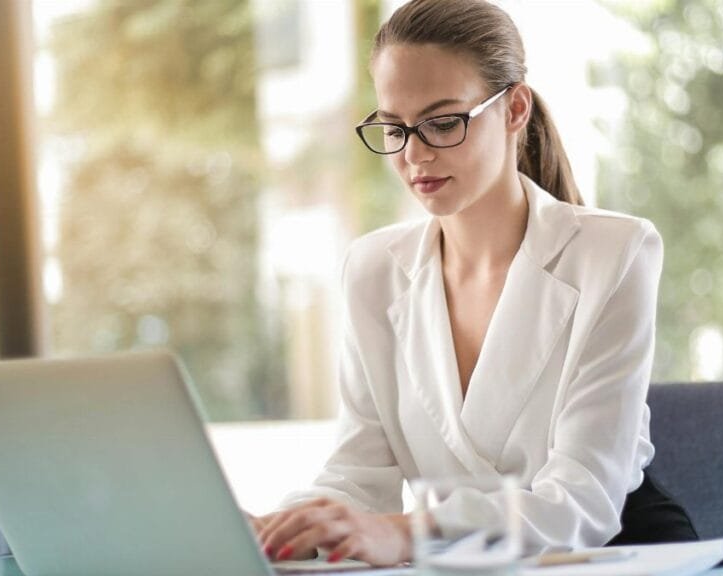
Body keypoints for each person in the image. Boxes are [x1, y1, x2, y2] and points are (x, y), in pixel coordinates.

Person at [253, 0, 697, 566]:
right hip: (464, 562)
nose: (414, 154)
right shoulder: (372, 270)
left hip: (613, 555)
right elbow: (357, 475)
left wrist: (410, 534)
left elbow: (582, 502)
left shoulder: (614, 253)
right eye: (394, 127)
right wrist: (282, 529)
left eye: (442, 123)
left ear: (514, 109)